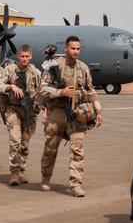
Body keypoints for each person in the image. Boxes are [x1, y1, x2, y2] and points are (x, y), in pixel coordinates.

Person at [38, 36, 103, 197]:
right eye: (72, 48)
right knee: (50, 148)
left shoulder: (83, 68)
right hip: (57, 113)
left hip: (77, 114)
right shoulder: (55, 66)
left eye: (78, 49)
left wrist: (98, 109)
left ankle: (76, 184)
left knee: (77, 150)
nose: (75, 51)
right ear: (66, 48)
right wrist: (60, 92)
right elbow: (43, 89)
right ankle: (46, 178)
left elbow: (90, 89)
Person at [0, 45, 42, 186]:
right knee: (15, 139)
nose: (25, 59)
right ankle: (14, 171)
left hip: (29, 111)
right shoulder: (9, 70)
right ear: (18, 57)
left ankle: (21, 170)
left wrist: (44, 108)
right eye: (22, 56)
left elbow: (43, 90)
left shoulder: (35, 72)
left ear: (31, 57)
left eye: (27, 56)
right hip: (13, 109)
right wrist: (10, 87)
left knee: (25, 144)